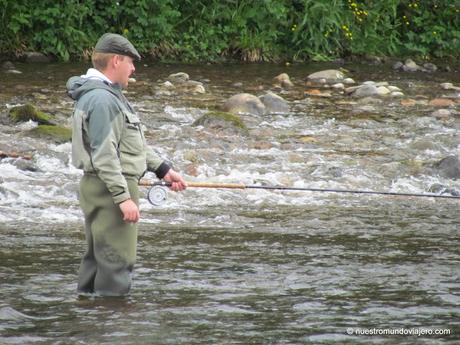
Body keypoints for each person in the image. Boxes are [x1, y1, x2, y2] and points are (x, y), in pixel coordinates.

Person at [66, 33, 186, 296]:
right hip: (111, 187)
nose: (133, 69)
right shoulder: (103, 100)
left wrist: (164, 170)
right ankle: (113, 325)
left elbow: (131, 144)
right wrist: (122, 197)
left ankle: (88, 318)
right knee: (116, 262)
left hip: (100, 186)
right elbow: (105, 155)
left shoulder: (106, 95)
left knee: (97, 260)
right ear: (116, 61)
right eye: (131, 62)